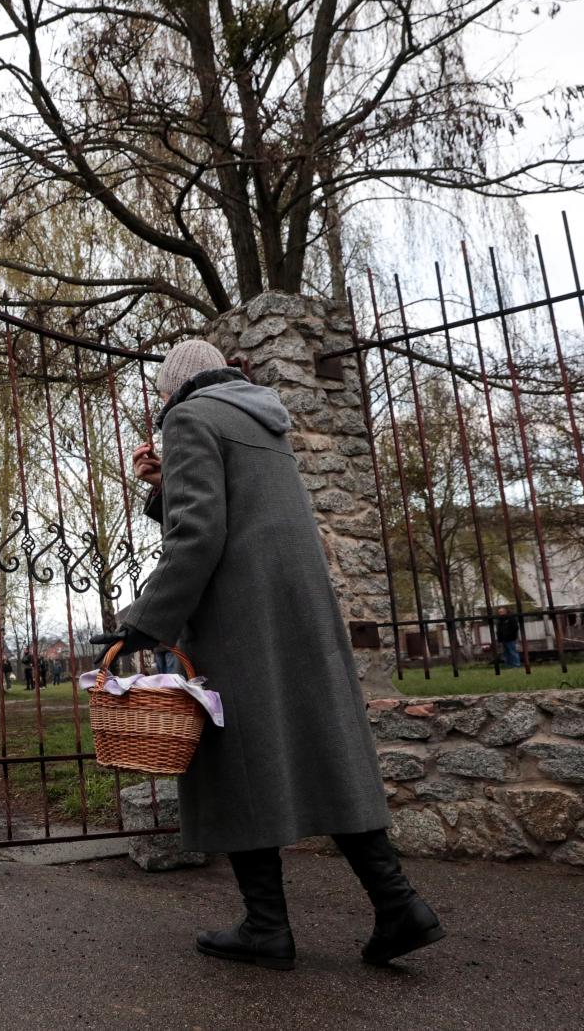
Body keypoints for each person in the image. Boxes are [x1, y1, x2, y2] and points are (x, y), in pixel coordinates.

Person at [91, 339, 442, 972]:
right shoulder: (263, 417)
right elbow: (235, 508)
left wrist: (143, 624)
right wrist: (165, 485)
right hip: (299, 615)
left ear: (176, 386)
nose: (163, 404)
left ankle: (266, 927)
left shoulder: (189, 418)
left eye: (164, 393)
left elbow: (198, 536)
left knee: (238, 759)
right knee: (325, 749)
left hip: (240, 622)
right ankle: (399, 905)